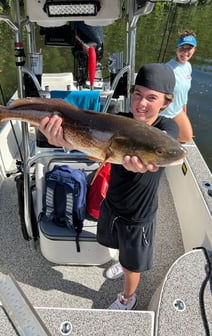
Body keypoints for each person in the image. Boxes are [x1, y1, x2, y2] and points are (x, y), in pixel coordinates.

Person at [39, 63, 178, 310]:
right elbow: (91, 142)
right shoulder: (120, 121)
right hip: (112, 203)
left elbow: (171, 143)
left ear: (165, 103)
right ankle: (123, 264)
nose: (141, 103)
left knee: (132, 264)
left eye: (151, 98)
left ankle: (128, 297)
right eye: (137, 94)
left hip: (139, 216)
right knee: (115, 245)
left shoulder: (165, 130)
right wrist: (63, 141)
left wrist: (144, 161)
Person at [160, 30, 197, 143]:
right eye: (182, 48)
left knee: (187, 137)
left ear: (194, 49)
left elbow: (184, 95)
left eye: (189, 48)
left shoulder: (188, 66)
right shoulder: (167, 69)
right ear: (176, 48)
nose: (185, 52)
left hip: (177, 111)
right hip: (164, 113)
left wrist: (184, 114)